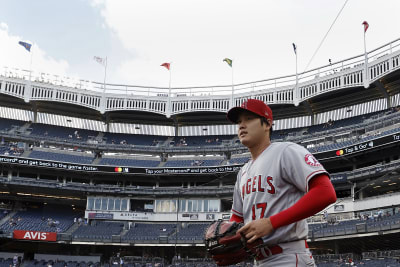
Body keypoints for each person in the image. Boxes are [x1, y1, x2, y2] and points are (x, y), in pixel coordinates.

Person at [226, 99, 337, 266]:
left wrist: (272, 223)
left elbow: (325, 191)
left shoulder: (286, 151)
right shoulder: (243, 172)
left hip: (288, 255)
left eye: (249, 119)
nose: (242, 125)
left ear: (267, 124)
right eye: (239, 121)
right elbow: (237, 217)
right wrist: (227, 236)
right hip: (259, 259)